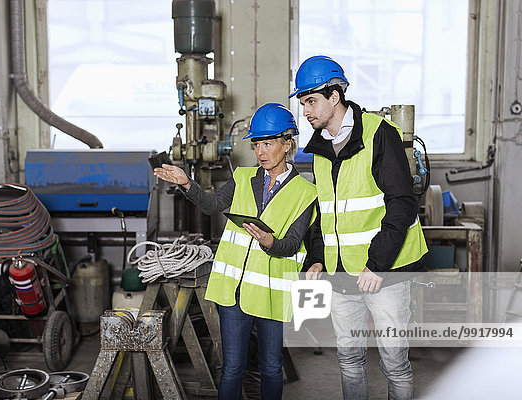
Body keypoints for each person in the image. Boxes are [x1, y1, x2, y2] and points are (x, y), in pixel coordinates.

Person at [154, 103, 318, 400]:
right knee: (232, 367)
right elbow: (212, 204)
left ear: (288, 143)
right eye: (257, 144)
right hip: (235, 292)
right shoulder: (243, 177)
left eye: (268, 143)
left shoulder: (306, 192)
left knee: (270, 367)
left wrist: (271, 243)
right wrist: (186, 183)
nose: (261, 152)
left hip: (271, 295)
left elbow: (293, 243)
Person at [292, 55, 428, 400]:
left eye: (311, 101)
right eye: (303, 102)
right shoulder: (320, 148)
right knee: (349, 357)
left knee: (394, 361)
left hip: (385, 271)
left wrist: (377, 264)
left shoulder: (379, 134)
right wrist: (317, 259)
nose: (305, 111)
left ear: (334, 97)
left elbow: (402, 203)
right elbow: (325, 213)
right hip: (342, 274)